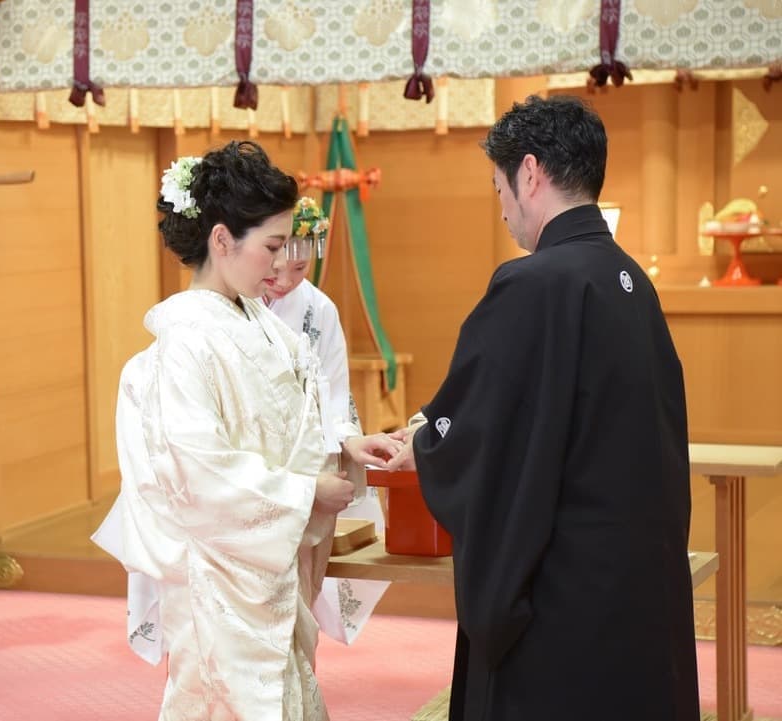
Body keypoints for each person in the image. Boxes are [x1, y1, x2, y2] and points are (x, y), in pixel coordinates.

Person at [388, 96, 699, 721]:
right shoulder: (631, 280)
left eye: (499, 187)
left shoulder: (533, 283)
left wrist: (424, 444)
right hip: (637, 581)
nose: (502, 209)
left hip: (562, 596)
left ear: (528, 173)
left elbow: (483, 428)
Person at [92, 141, 401, 720]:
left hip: (268, 567)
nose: (283, 264)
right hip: (219, 578)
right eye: (273, 246)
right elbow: (198, 470)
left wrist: (342, 451)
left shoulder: (257, 322)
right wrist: (306, 490)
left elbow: (285, 428)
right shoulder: (185, 343)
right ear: (221, 240)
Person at [263, 196, 390, 644]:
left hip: (307, 465)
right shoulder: (227, 305)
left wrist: (349, 440)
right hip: (257, 470)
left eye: (298, 271)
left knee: (300, 594)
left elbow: (333, 392)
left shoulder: (319, 310)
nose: (284, 282)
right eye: (275, 267)